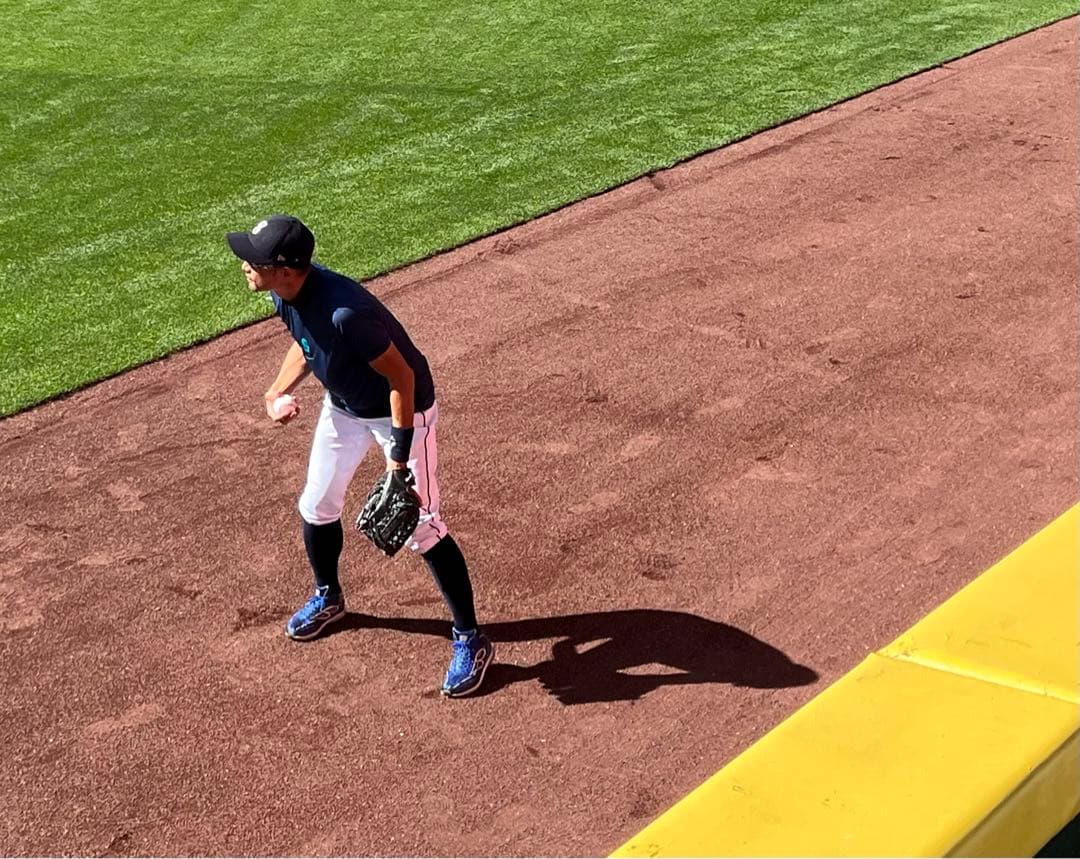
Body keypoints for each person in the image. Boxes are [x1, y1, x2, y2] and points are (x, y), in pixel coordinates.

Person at [226, 214, 494, 697]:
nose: (245, 265)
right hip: (344, 407)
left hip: (402, 411)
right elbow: (306, 345)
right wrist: (275, 391)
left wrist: (398, 460)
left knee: (422, 525)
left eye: (254, 261)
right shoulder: (284, 294)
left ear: (285, 269)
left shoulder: (344, 312)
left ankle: (471, 639)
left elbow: (402, 378)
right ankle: (329, 596)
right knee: (317, 504)